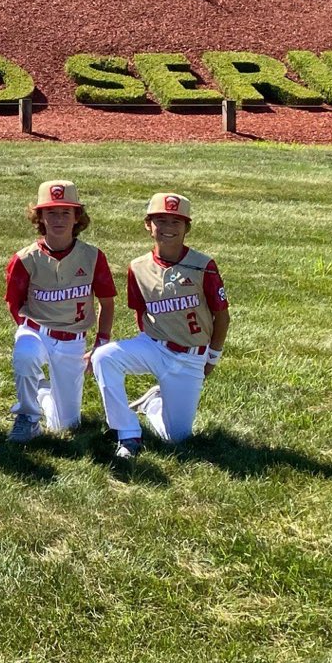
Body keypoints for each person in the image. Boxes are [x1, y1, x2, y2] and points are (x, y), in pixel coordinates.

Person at [92, 191, 229, 461]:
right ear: (148, 225)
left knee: (177, 439)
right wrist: (145, 343)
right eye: (160, 221)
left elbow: (221, 317)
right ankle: (127, 432)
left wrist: (212, 357)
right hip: (154, 345)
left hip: (190, 356)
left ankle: (153, 404)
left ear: (187, 227)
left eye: (176, 222)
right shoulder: (137, 267)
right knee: (104, 357)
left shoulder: (204, 265)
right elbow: (140, 311)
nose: (167, 228)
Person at [4, 180, 115, 442]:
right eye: (51, 212)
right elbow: (14, 304)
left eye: (66, 212)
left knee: (66, 425)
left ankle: (42, 391)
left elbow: (107, 302)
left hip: (73, 340)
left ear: (77, 216)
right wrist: (28, 329)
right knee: (26, 352)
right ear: (39, 216)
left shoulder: (92, 256)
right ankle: (28, 416)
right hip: (37, 332)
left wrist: (101, 341)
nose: (58, 219)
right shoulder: (25, 258)